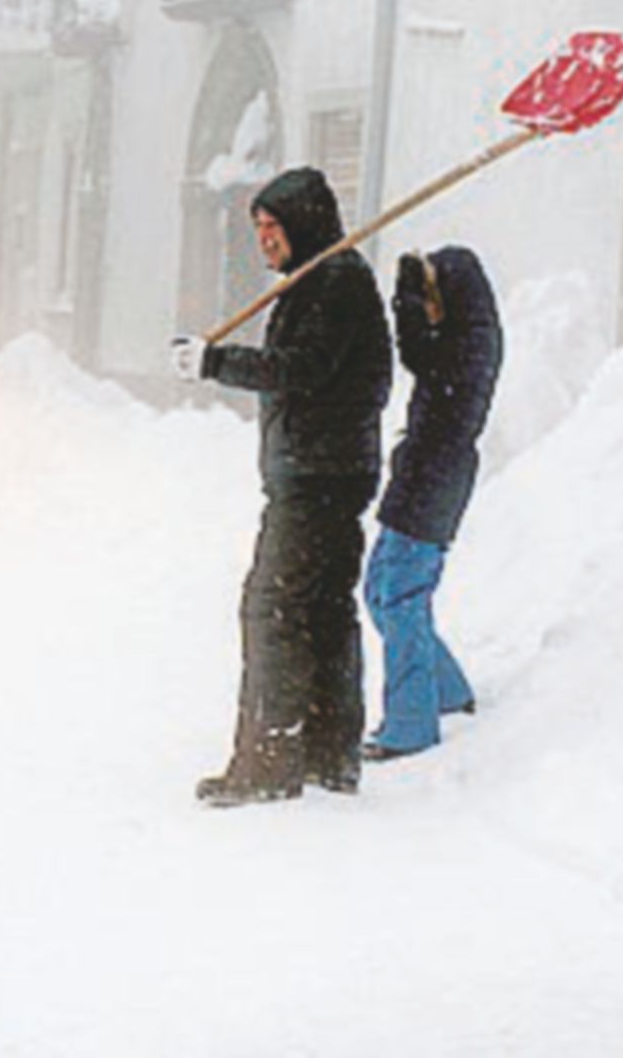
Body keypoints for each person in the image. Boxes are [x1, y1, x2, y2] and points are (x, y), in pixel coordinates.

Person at [171, 167, 391, 805]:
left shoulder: (336, 281)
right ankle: (328, 754)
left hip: (319, 478)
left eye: (274, 226)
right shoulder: (321, 279)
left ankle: (270, 763)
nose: (264, 238)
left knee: (272, 608)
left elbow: (304, 369)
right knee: (320, 610)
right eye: (259, 227)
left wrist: (217, 362)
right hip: (327, 472)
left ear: (306, 224)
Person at [362, 246, 502, 760]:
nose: (428, 304)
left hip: (435, 480)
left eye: (431, 293)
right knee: (380, 590)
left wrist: (404, 302)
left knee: (401, 597)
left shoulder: (472, 342)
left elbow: (420, 357)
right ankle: (446, 689)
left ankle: (410, 727)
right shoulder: (465, 335)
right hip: (421, 474)